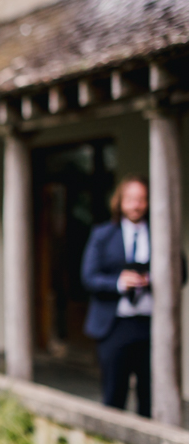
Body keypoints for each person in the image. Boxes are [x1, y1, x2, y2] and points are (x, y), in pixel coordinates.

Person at [82, 175, 152, 417]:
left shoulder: (160, 233)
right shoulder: (103, 234)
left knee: (150, 395)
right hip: (114, 326)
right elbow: (88, 277)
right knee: (114, 395)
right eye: (131, 199)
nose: (136, 204)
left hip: (151, 326)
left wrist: (153, 278)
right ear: (120, 201)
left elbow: (181, 270)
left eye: (142, 199)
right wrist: (119, 282)